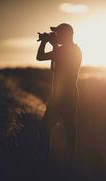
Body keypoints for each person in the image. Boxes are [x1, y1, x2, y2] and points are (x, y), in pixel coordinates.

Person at [36, 23, 82, 168]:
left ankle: (64, 163)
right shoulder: (67, 49)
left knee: (68, 129)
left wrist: (49, 43)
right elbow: (48, 63)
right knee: (51, 129)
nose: (57, 36)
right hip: (61, 95)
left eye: (58, 33)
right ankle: (51, 162)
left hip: (65, 95)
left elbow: (44, 57)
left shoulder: (72, 50)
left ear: (67, 34)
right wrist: (49, 44)